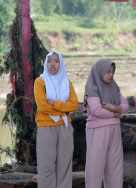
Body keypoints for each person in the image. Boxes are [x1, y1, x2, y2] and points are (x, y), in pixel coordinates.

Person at [34, 51, 79, 188]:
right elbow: (42, 107)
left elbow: (74, 105)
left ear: (61, 64)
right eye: (49, 61)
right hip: (46, 127)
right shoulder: (40, 82)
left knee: (64, 168)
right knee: (46, 167)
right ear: (45, 64)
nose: (52, 64)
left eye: (56, 61)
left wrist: (54, 103)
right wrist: (63, 109)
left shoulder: (67, 83)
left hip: (65, 127)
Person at [84, 59, 129, 188]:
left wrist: (115, 108)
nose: (111, 75)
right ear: (100, 71)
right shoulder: (92, 87)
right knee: (95, 168)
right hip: (97, 131)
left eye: (112, 72)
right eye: (108, 72)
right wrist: (115, 115)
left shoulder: (113, 87)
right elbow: (96, 110)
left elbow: (126, 105)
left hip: (114, 130)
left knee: (115, 168)